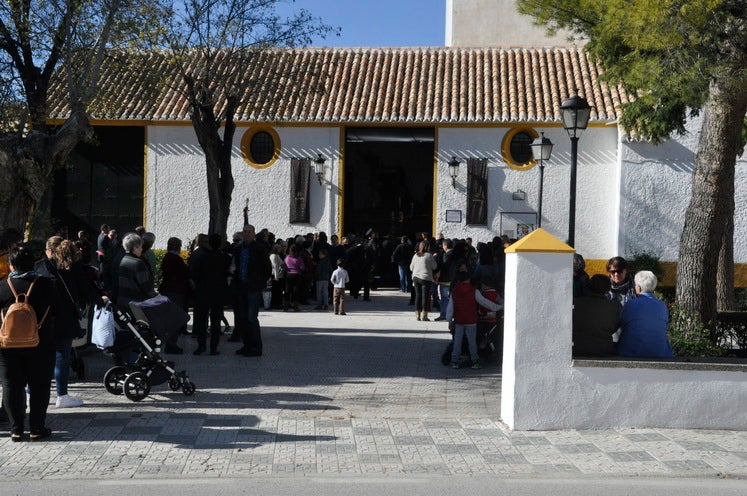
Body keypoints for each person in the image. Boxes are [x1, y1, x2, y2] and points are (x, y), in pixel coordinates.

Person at [0, 247, 60, 441]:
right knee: (40, 386)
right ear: (33, 264)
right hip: (40, 343)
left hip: (7, 345)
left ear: (11, 265)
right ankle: (36, 428)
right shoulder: (47, 284)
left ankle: (16, 429)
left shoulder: (2, 286)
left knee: (11, 384)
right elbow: (58, 311)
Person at [446, 262, 503, 369]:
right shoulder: (474, 291)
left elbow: (450, 307)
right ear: (468, 280)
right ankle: (474, 361)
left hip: (459, 320)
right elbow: (485, 302)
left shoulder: (454, 291)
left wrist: (449, 319)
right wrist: (498, 307)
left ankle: (455, 361)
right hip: (471, 320)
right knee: (471, 341)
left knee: (457, 340)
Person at [232, 224, 271, 357]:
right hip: (241, 287)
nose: (247, 234)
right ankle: (246, 345)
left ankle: (256, 347)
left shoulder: (259, 248)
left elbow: (267, 269)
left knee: (251, 318)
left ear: (254, 234)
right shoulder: (238, 249)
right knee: (242, 318)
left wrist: (259, 283)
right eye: (244, 232)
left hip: (253, 288)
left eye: (249, 232)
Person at [617, 270, 674, 358]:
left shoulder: (631, 304)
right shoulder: (662, 305)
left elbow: (622, 324)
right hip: (660, 352)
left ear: (638, 288)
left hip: (631, 352)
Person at [572, 274, 620, 357]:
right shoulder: (614, 307)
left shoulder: (576, 303)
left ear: (589, 286)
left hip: (578, 348)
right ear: (608, 288)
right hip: (604, 350)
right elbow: (615, 327)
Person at [159, 237, 190, 343]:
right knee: (174, 318)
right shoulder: (176, 259)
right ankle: (171, 343)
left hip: (168, 289)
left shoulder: (167, 257)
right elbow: (185, 273)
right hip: (175, 291)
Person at [410, 240, 437, 321]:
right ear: (428, 247)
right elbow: (434, 267)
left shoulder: (415, 255)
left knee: (418, 295)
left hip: (415, 277)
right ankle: (424, 316)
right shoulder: (429, 255)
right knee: (425, 297)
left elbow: (411, 267)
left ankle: (417, 315)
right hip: (425, 278)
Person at [283, 243, 305, 312]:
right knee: (296, 291)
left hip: (288, 275)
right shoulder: (298, 258)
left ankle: (286, 306)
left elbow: (285, 266)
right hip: (297, 275)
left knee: (287, 291)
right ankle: (296, 307)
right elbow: (302, 267)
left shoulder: (287, 258)